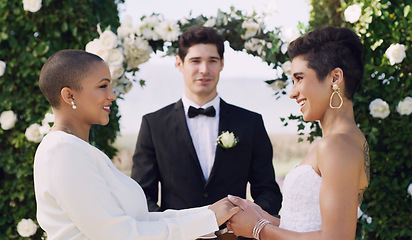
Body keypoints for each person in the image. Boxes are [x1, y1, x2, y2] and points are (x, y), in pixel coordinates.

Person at [33, 49, 240, 240]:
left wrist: (210, 213)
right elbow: (118, 234)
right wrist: (208, 219)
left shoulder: (79, 149)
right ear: (69, 95)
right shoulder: (62, 151)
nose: (112, 95)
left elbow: (142, 221)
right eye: (102, 86)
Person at [226, 26, 370, 240]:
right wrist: (259, 215)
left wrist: (258, 229)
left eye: (299, 78)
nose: (292, 93)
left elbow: (336, 238)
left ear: (335, 78)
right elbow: (303, 225)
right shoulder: (337, 142)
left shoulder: (336, 145)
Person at [131, 26, 282, 218]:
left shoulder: (250, 123)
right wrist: (171, 229)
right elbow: (142, 196)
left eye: (212, 61)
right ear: (179, 63)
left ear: (222, 64)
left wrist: (248, 221)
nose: (204, 69)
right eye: (195, 61)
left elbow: (268, 191)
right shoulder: (153, 125)